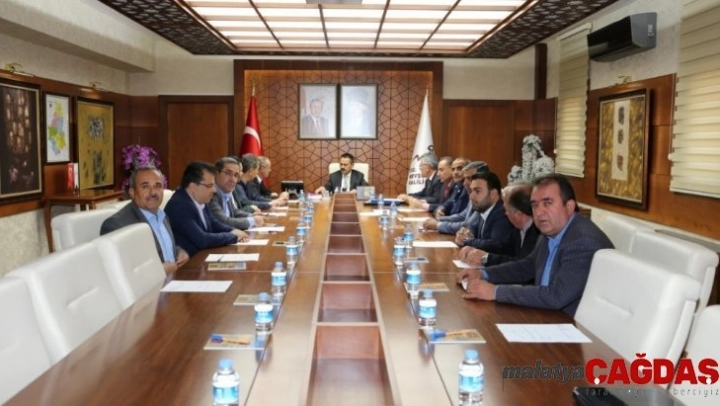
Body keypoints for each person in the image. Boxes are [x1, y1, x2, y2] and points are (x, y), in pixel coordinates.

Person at [457, 174, 614, 316]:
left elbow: (556, 296)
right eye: (535, 205)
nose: (538, 212)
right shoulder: (550, 231)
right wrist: (483, 274)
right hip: (545, 315)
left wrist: (496, 292)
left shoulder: (582, 241)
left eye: (547, 203)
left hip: (570, 324)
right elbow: (529, 265)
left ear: (569, 207)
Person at [101, 166, 188, 275]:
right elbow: (120, 272)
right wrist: (160, 270)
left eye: (158, 186)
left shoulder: (162, 215)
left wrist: (179, 252)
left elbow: (163, 246)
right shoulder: (117, 225)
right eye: (145, 186)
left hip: (175, 279)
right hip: (153, 285)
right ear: (132, 192)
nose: (153, 192)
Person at [164, 161, 249, 257]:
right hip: (190, 261)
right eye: (210, 186)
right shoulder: (180, 205)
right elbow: (202, 239)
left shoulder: (200, 199)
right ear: (193, 187)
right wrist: (233, 236)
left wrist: (233, 230)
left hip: (203, 256)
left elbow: (214, 223)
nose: (214, 190)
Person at [458, 183, 540, 267]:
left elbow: (523, 265)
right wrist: (473, 249)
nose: (505, 214)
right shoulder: (519, 229)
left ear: (519, 215)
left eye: (506, 210)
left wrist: (485, 258)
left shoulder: (537, 233)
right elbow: (502, 247)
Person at [422, 161, 489, 234]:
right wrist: (439, 219)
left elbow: (469, 225)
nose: (465, 183)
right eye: (465, 178)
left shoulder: (485, 197)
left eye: (470, 178)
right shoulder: (465, 190)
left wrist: (438, 225)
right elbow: (462, 216)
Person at [455, 171, 514, 253]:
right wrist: (468, 232)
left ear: (493, 194)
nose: (471, 196)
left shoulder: (502, 213)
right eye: (471, 191)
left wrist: (466, 240)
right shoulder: (484, 209)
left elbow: (495, 244)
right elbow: (473, 226)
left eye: (477, 191)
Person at [208, 157, 264, 230]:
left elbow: (234, 212)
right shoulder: (210, 194)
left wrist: (251, 215)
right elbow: (223, 221)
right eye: (228, 173)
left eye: (236, 175)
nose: (233, 179)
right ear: (216, 173)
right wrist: (252, 221)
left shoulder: (226, 191)